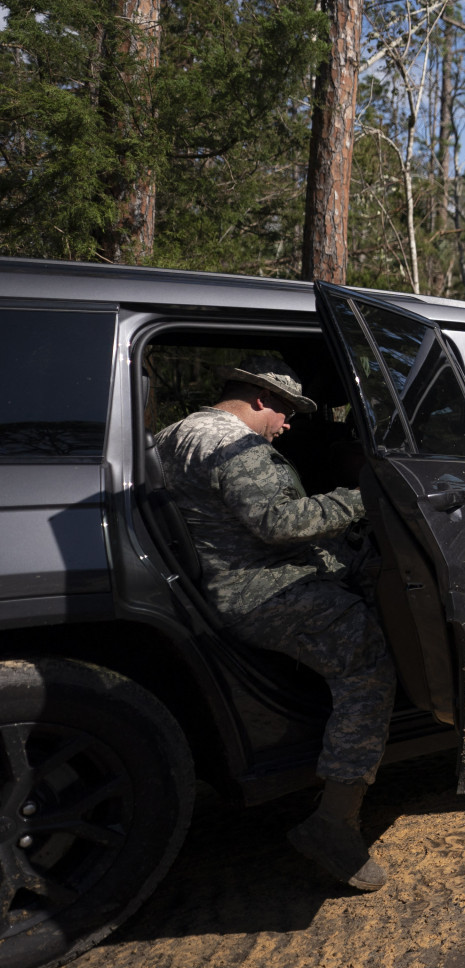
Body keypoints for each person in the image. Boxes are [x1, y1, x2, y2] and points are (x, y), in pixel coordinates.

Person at [152, 356, 396, 890]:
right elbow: (279, 522)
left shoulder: (172, 435)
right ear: (261, 398)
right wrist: (367, 497)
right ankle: (335, 821)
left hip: (229, 582)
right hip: (265, 592)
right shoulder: (235, 444)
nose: (286, 425)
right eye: (285, 412)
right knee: (368, 662)